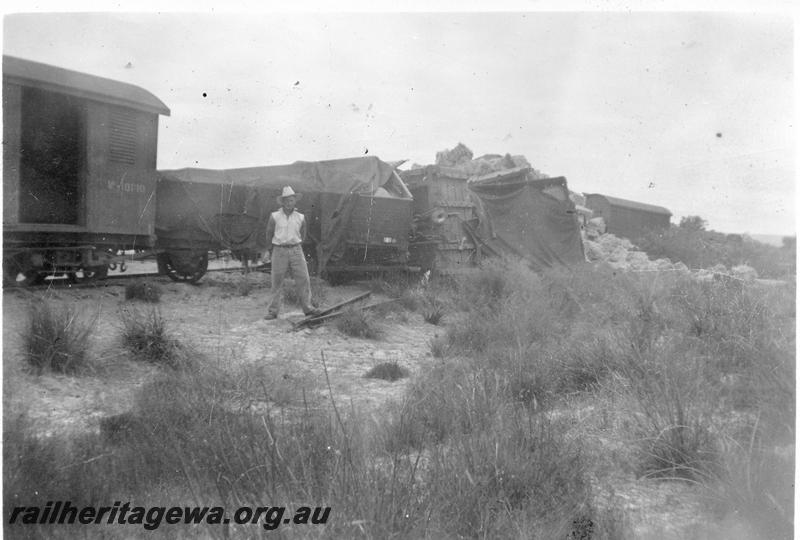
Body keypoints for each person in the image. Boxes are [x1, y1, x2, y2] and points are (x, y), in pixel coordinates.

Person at [264, 186, 321, 320]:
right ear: (282, 202)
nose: (290, 203)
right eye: (287, 201)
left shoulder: (300, 218)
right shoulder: (274, 216)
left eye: (292, 200)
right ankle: (273, 311)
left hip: (296, 249)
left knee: (304, 278)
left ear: (295, 201)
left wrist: (296, 244)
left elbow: (303, 234)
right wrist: (270, 249)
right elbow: (269, 233)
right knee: (276, 281)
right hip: (279, 250)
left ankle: (308, 308)